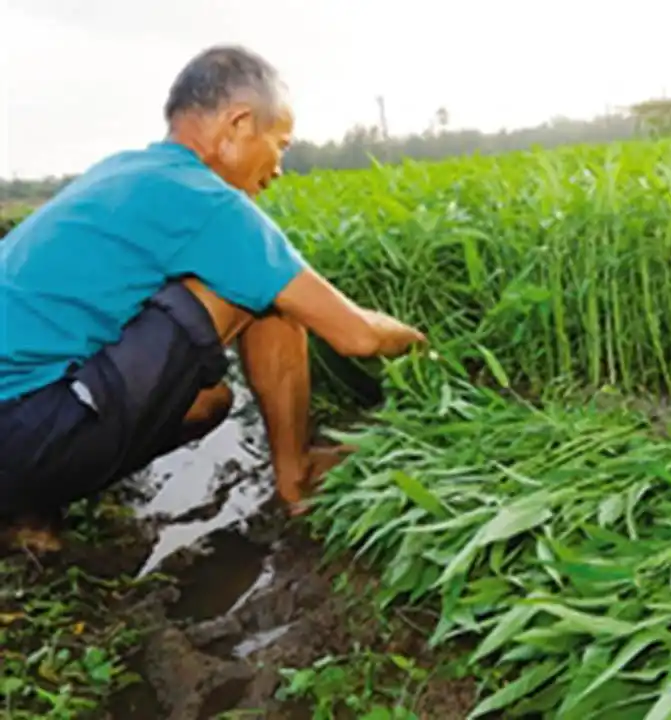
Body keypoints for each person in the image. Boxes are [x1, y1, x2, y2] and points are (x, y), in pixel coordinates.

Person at [0, 45, 427, 553]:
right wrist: (423, 346)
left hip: (21, 422)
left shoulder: (123, 171)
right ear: (239, 124)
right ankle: (296, 478)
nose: (279, 168)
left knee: (209, 403)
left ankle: (27, 508)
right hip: (25, 431)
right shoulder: (204, 198)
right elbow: (357, 335)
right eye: (280, 145)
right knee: (261, 290)